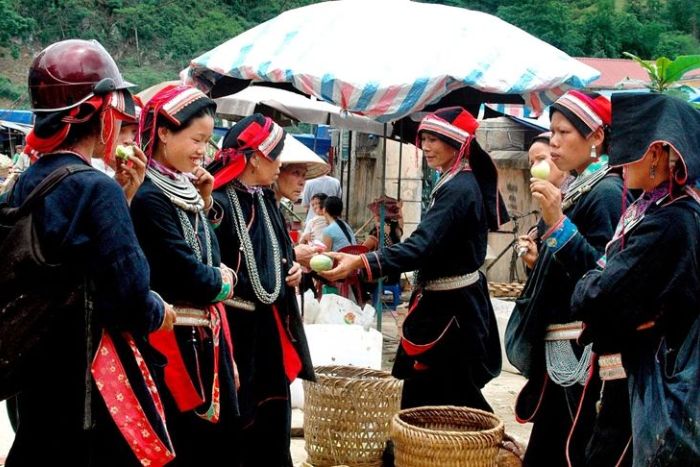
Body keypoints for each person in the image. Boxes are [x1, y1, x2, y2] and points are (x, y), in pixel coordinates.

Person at [5, 39, 175, 467]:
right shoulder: (94, 188)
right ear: (101, 111)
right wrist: (159, 311)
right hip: (88, 387)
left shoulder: (27, 181)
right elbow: (130, 298)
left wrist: (125, 197)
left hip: (36, 380)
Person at [322, 106, 508, 411]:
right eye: (424, 139)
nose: (426, 147)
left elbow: (421, 246)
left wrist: (361, 262)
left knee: (448, 396)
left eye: (435, 139)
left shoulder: (460, 188)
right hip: (449, 305)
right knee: (437, 395)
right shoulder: (454, 181)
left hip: (450, 313)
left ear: (457, 143)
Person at [571, 93, 700, 466]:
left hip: (645, 379)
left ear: (658, 153)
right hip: (630, 372)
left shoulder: (670, 221)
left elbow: (598, 295)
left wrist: (592, 279)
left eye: (628, 148)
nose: (617, 160)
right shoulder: (653, 209)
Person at [505, 90, 632, 466]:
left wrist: (557, 224)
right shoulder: (581, 186)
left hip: (580, 356)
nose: (554, 142)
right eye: (552, 131)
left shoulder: (607, 191)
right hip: (559, 352)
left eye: (564, 133)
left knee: (568, 450)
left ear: (595, 138)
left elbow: (601, 275)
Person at [130, 84, 239, 466]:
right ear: (163, 132)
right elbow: (185, 273)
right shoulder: (147, 197)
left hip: (201, 338)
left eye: (207, 142)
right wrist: (225, 282)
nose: (202, 152)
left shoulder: (183, 187)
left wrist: (206, 202)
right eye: (196, 139)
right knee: (185, 446)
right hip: (170, 345)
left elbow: (207, 253)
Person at [207, 113, 315, 466]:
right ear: (254, 158)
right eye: (276, 156)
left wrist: (294, 268)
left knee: (273, 421)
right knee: (239, 425)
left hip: (269, 331)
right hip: (235, 332)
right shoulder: (217, 204)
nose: (281, 164)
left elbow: (278, 254)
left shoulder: (265, 201)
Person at [517, 131, 573, 269]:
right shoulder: (548, 199)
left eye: (541, 159)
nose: (535, 167)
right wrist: (535, 262)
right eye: (531, 163)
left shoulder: (580, 197)